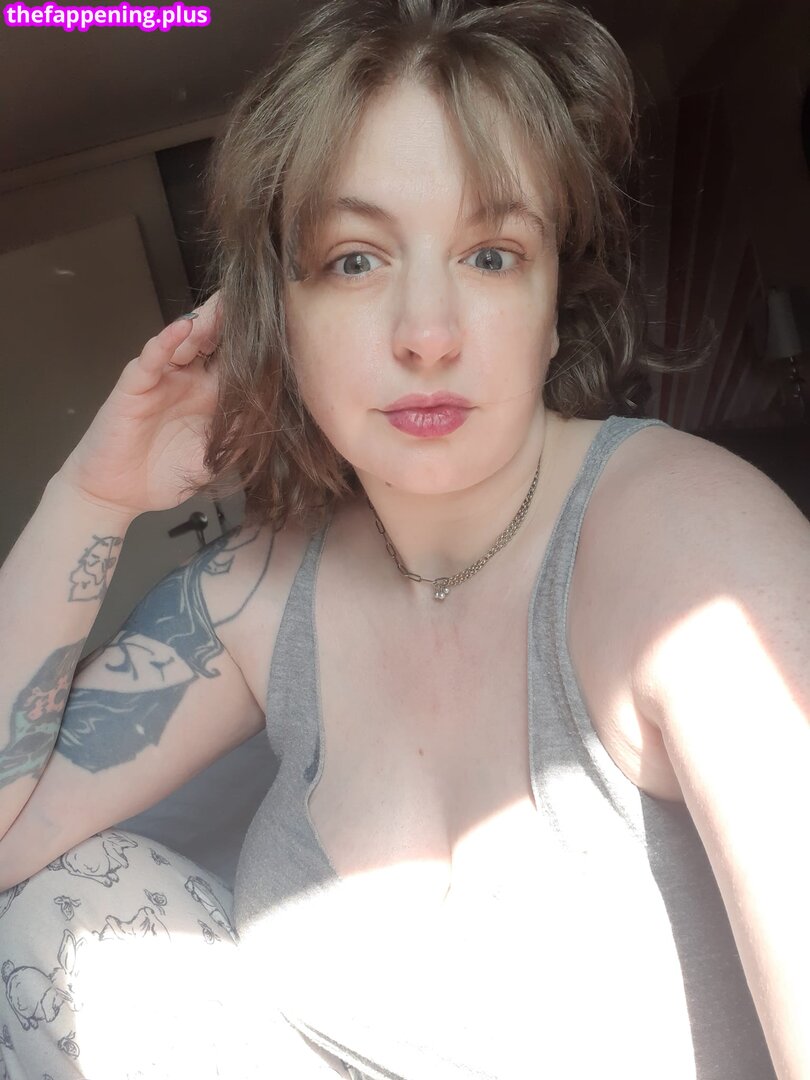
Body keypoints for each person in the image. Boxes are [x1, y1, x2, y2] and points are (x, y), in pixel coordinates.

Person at [1, 0, 808, 1077]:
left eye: (491, 254)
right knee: (59, 910)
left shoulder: (691, 557)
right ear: (278, 317)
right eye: (354, 260)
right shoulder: (262, 589)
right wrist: (92, 496)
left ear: (554, 306)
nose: (427, 335)